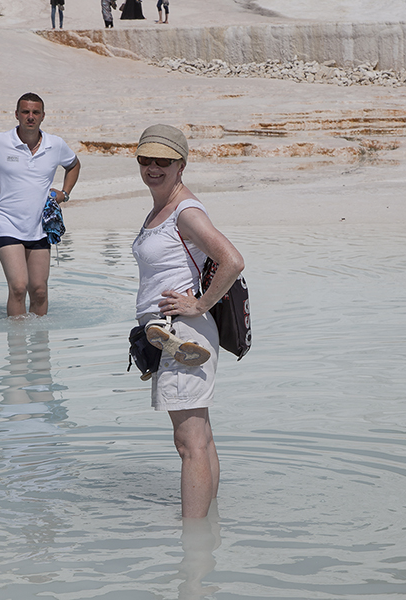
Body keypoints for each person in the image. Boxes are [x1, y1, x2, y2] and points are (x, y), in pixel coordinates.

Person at [131, 124, 244, 518]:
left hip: (183, 335)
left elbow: (232, 260)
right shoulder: (163, 207)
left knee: (189, 444)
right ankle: (208, 533)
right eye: (146, 159)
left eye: (164, 160)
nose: (153, 168)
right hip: (172, 334)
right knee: (203, 439)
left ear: (182, 164)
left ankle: (192, 551)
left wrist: (197, 305)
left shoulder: (186, 210)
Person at [0, 93, 81, 318]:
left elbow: (73, 165)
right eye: (25, 112)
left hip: (40, 227)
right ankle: (17, 347)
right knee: (18, 287)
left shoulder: (56, 144)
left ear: (43, 116)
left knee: (40, 291)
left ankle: (41, 346)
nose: (30, 117)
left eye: (35, 112)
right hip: (7, 224)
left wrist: (65, 193)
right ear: (16, 115)